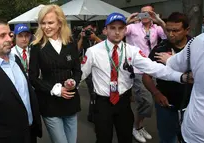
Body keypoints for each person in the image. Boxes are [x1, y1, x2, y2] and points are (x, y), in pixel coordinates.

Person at [81, 12, 190, 143]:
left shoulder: (132, 51)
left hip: (123, 102)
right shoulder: (93, 51)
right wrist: (68, 86)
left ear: (125, 30)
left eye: (120, 28)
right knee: (103, 138)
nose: (117, 32)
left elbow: (154, 68)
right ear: (105, 30)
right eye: (112, 28)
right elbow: (80, 74)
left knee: (126, 137)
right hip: (102, 103)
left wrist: (181, 77)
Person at [29, 5, 82, 143]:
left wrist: (74, 82)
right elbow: (33, 78)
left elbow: (77, 70)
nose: (46, 27)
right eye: (43, 23)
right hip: (50, 103)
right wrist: (55, 89)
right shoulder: (36, 46)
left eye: (50, 22)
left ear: (60, 23)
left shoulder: (71, 43)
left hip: (70, 100)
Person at [142, 12, 193, 143]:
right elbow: (146, 76)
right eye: (168, 30)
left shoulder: (196, 47)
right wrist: (156, 93)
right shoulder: (160, 48)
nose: (171, 34)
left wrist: (171, 61)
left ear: (187, 30)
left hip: (191, 104)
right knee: (167, 138)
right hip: (166, 105)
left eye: (176, 31)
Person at [125, 4, 167, 142]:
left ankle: (139, 125)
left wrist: (159, 21)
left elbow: (169, 36)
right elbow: (117, 34)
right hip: (137, 69)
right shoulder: (132, 27)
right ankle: (135, 127)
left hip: (153, 68)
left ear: (152, 14)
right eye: (142, 13)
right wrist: (127, 21)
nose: (144, 15)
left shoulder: (158, 28)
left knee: (147, 100)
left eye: (148, 13)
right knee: (146, 101)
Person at [165, 32, 204, 142]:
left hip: (197, 131)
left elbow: (175, 64)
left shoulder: (201, 41)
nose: (171, 34)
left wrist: (168, 59)